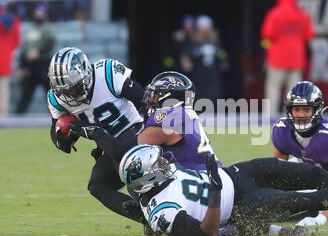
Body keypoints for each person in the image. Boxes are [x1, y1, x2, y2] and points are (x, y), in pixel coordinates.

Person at [113, 144, 328, 236]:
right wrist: (216, 195)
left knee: (314, 174)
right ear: (148, 179)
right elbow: (206, 234)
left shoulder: (161, 179)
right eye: (159, 163)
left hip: (238, 173)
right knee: (309, 200)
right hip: (242, 206)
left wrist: (218, 179)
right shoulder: (161, 213)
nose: (165, 161)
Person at [69, 71, 222, 223]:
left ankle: (152, 218)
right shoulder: (185, 114)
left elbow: (120, 152)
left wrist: (95, 133)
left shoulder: (167, 116)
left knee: (136, 168)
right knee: (139, 166)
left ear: (168, 97)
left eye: (155, 94)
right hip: (207, 180)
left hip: (194, 186)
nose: (149, 98)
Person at [47, 47, 147, 222]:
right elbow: (58, 138)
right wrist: (64, 136)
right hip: (109, 144)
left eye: (74, 89)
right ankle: (144, 217)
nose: (70, 95)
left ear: (86, 75)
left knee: (126, 168)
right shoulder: (57, 98)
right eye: (65, 91)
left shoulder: (107, 72)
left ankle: (154, 208)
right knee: (98, 185)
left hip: (134, 132)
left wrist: (152, 133)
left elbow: (143, 99)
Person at [272, 81, 328, 226]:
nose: (301, 115)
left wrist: (321, 219)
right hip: (309, 167)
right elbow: (275, 175)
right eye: (297, 109)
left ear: (317, 110)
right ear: (289, 110)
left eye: (306, 109)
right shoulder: (281, 130)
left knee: (311, 205)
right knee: (285, 205)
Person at [261, 0, 315, 116]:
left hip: (277, 58)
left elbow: (267, 34)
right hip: (296, 59)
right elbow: (310, 35)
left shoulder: (274, 14)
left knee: (273, 88)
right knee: (295, 91)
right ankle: (295, 116)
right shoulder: (302, 15)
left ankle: (269, 115)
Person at [16, 3, 55, 114]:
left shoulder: (48, 28)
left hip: (44, 65)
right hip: (31, 66)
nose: (38, 15)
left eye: (41, 13)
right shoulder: (31, 29)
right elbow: (25, 48)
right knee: (25, 94)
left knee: (49, 95)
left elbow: (50, 44)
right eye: (37, 12)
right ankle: (17, 120)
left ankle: (56, 117)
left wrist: (38, 52)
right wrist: (21, 66)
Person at [180, 15, 228, 104]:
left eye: (207, 28)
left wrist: (223, 61)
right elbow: (186, 54)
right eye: (203, 28)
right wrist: (187, 62)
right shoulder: (194, 41)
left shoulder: (215, 40)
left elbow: (222, 53)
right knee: (199, 92)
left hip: (213, 73)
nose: (206, 31)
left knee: (215, 91)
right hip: (199, 73)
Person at [0, 0, 20, 116]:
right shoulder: (15, 20)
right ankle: (3, 115)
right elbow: (17, 42)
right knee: (4, 90)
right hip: (6, 59)